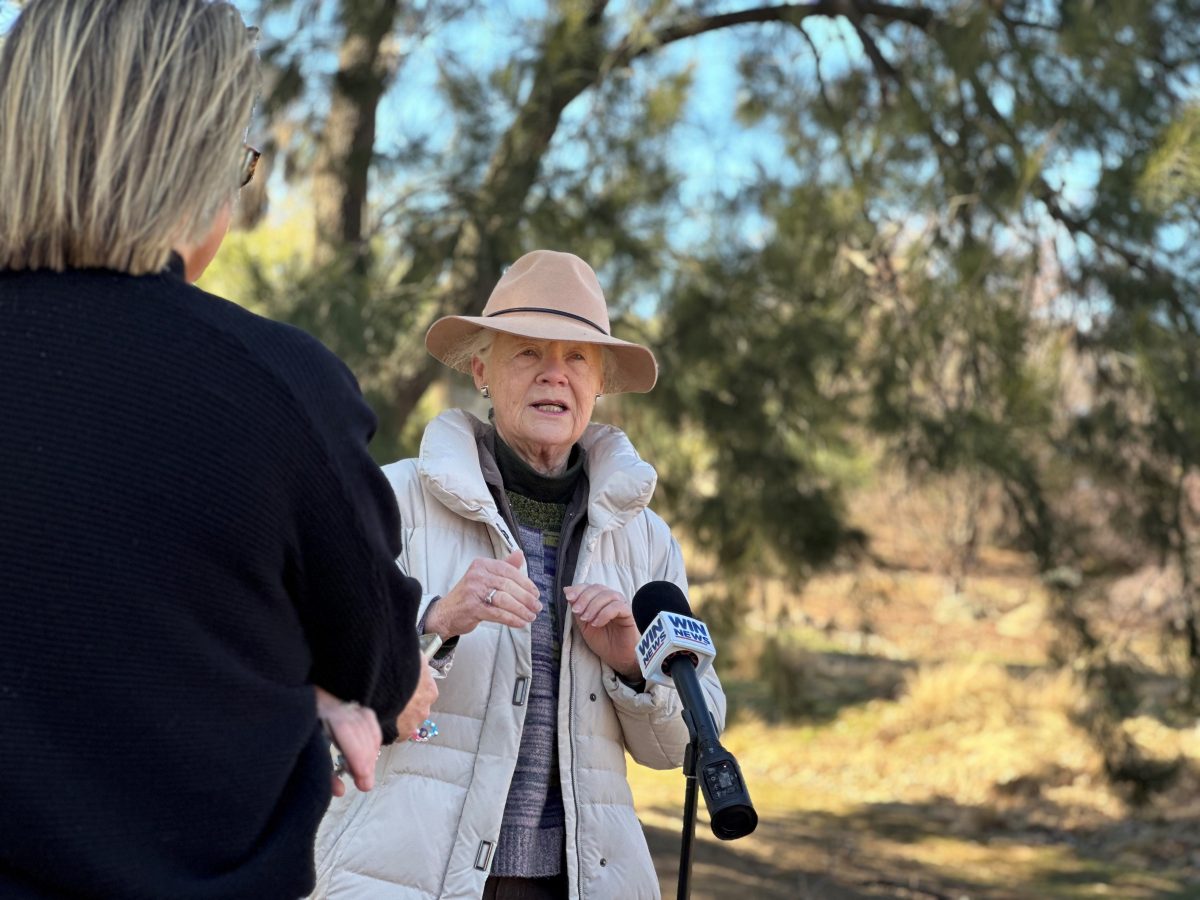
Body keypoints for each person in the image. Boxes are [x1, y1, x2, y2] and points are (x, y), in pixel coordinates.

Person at [0, 2, 434, 897]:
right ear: (194, 160)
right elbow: (382, 667)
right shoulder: (276, 390)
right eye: (240, 162)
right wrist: (295, 699)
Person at [312, 250, 728, 899]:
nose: (553, 377)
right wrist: (433, 623)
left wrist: (630, 667)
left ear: (600, 383)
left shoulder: (646, 540)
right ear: (482, 370)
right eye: (528, 353)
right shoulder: (393, 502)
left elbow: (680, 748)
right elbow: (318, 681)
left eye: (576, 358)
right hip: (407, 876)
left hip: (577, 883)